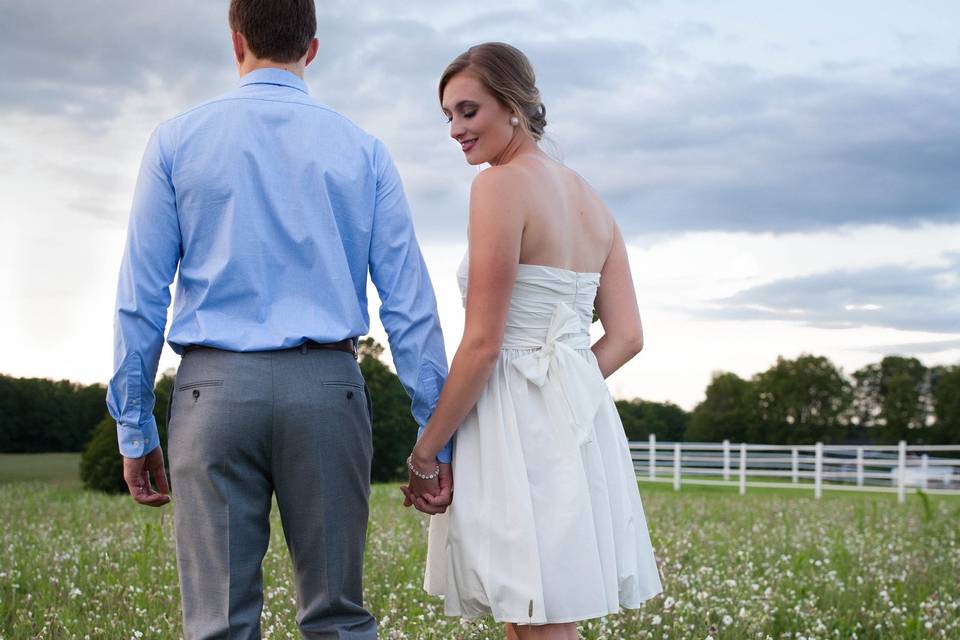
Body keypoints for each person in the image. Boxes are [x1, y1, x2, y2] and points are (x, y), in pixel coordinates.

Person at [105, 1, 451, 637]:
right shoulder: (363, 150)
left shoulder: (176, 142)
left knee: (217, 624)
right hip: (327, 392)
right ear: (311, 49)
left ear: (236, 41)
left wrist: (134, 424)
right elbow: (408, 303)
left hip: (213, 396)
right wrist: (436, 436)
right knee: (337, 618)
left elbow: (141, 297)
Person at [402, 42, 663, 639]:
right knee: (526, 614)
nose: (455, 130)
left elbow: (483, 344)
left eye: (468, 111)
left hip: (511, 420)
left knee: (536, 616)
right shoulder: (592, 200)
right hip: (575, 418)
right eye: (448, 116)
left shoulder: (498, 188)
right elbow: (626, 337)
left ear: (514, 105)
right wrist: (565, 386)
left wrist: (425, 453)